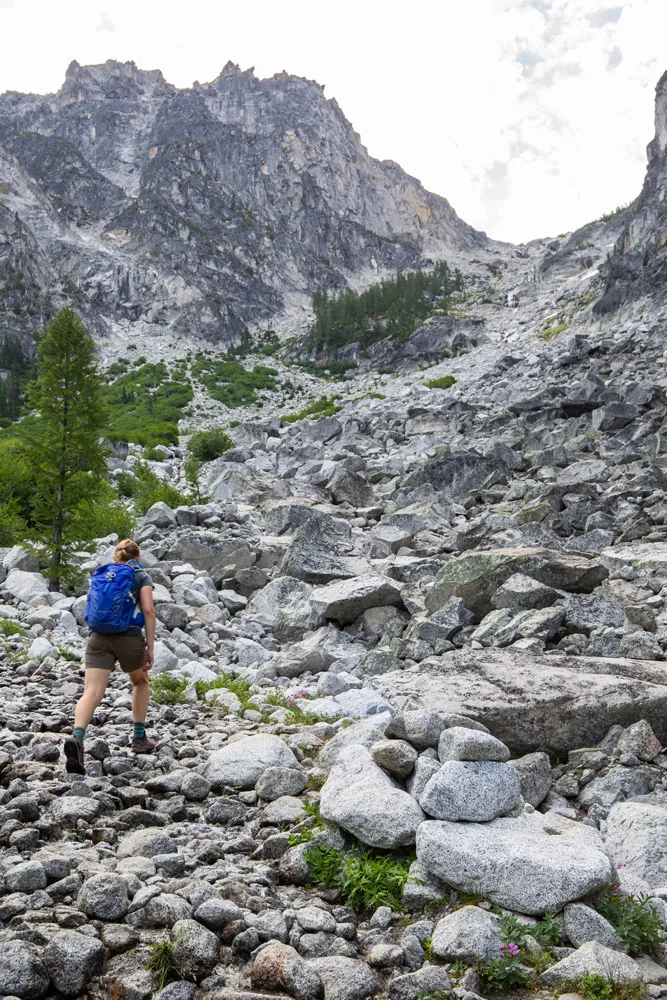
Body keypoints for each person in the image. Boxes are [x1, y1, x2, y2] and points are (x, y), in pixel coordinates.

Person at [63, 538, 156, 774]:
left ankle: (77, 738)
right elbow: (148, 610)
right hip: (129, 639)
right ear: (137, 557)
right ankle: (138, 737)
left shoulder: (102, 573)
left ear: (116, 556)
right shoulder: (140, 576)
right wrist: (150, 647)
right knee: (140, 681)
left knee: (91, 692)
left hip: (98, 638)